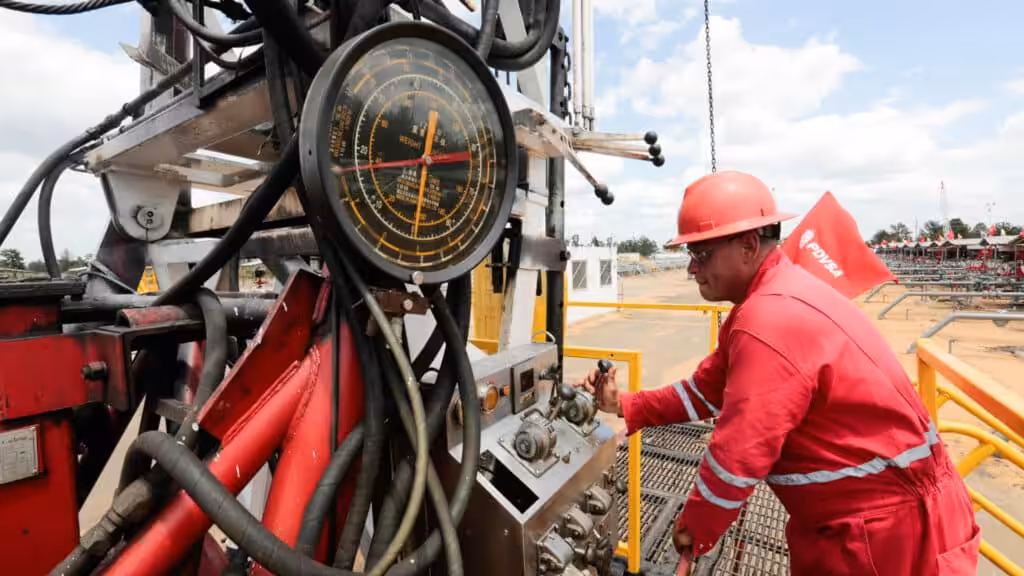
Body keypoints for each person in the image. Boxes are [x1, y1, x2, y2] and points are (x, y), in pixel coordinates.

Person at [576, 171, 980, 575]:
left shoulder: (768, 318)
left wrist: (694, 532)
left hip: (887, 535)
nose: (691, 270)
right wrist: (624, 404)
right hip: (865, 520)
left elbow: (739, 454)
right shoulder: (766, 301)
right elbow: (704, 392)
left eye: (701, 255)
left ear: (749, 246)